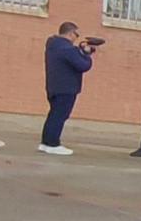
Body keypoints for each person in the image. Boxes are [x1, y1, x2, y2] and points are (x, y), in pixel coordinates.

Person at [40, 21, 99, 155]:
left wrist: (80, 51)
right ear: (70, 33)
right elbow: (83, 66)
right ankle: (53, 143)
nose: (76, 38)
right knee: (60, 116)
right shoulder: (67, 49)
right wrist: (86, 54)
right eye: (76, 35)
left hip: (53, 86)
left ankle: (45, 142)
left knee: (54, 114)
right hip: (66, 87)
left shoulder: (53, 45)